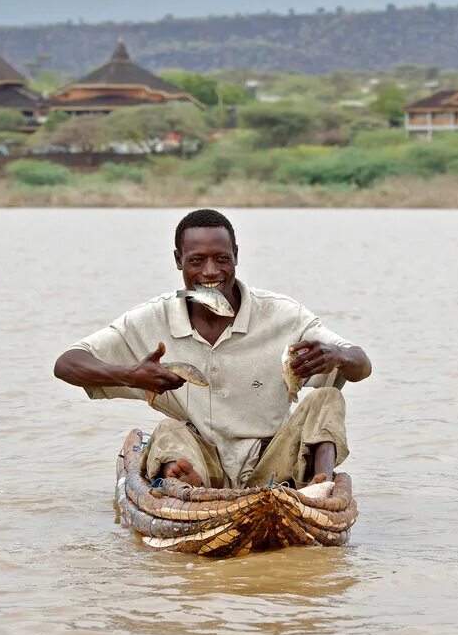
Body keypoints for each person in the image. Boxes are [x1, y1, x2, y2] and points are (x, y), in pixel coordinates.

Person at [54, 209, 371, 489]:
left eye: (221, 259)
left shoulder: (283, 315)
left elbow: (361, 363)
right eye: (196, 261)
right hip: (202, 459)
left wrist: (337, 356)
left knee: (326, 398)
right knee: (168, 430)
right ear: (178, 259)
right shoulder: (152, 318)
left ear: (236, 255)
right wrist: (130, 375)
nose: (210, 272)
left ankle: (320, 485)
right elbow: (67, 363)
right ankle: (183, 483)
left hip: (274, 459)